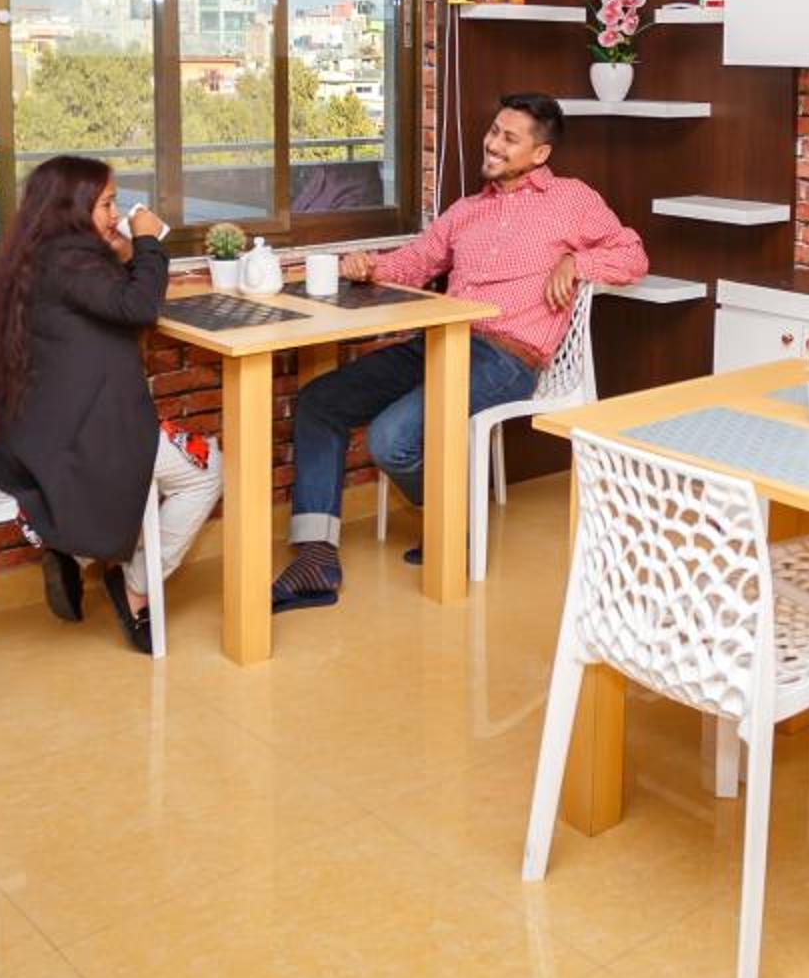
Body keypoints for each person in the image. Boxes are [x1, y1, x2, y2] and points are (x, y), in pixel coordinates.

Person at [271, 93, 647, 611]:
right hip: (439, 339)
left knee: (391, 440)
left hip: (506, 357)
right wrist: (369, 266)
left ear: (540, 153)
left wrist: (576, 264)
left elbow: (633, 255)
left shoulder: (570, 199)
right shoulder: (466, 211)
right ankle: (316, 557)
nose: (492, 144)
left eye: (509, 138)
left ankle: (454, 521)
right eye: (493, 131)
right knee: (320, 400)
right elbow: (415, 262)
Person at [0, 154, 221, 653]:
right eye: (107, 204)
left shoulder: (39, 255)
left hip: (33, 437)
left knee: (165, 458)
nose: (116, 213)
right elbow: (138, 306)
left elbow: (104, 296)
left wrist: (123, 253)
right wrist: (149, 242)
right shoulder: (71, 262)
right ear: (73, 207)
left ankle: (75, 552)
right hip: (82, 442)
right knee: (209, 471)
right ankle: (135, 589)